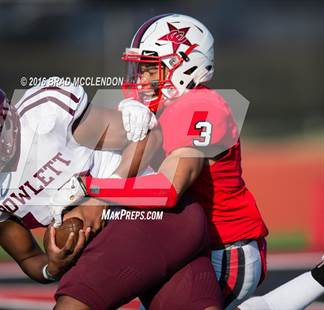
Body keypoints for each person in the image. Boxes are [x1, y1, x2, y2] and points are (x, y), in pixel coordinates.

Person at [0, 78, 223, 309]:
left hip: (151, 216)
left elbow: (149, 135)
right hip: (126, 243)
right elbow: (30, 259)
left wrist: (100, 198)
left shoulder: (46, 114)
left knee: (72, 305)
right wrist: (53, 267)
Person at [54, 14, 268, 309]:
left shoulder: (199, 106)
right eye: (139, 69)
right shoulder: (167, 100)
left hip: (226, 248)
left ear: (184, 67)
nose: (140, 79)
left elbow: (167, 189)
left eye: (149, 69)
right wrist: (129, 107)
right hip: (190, 241)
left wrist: (91, 188)